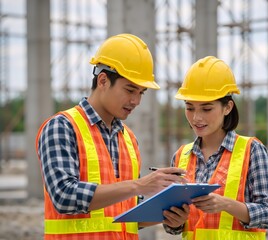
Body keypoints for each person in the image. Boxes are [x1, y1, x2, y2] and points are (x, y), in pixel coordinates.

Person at [35, 33, 187, 240]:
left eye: (141, 92)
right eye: (130, 90)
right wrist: (141, 185)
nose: (136, 101)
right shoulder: (62, 126)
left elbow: (124, 214)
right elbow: (63, 196)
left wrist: (166, 215)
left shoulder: (128, 138)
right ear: (103, 80)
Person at [162, 56, 268, 239]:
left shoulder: (252, 150)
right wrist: (174, 222)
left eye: (206, 109)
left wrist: (226, 204)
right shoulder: (180, 156)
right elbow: (174, 226)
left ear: (227, 107)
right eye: (190, 108)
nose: (196, 118)